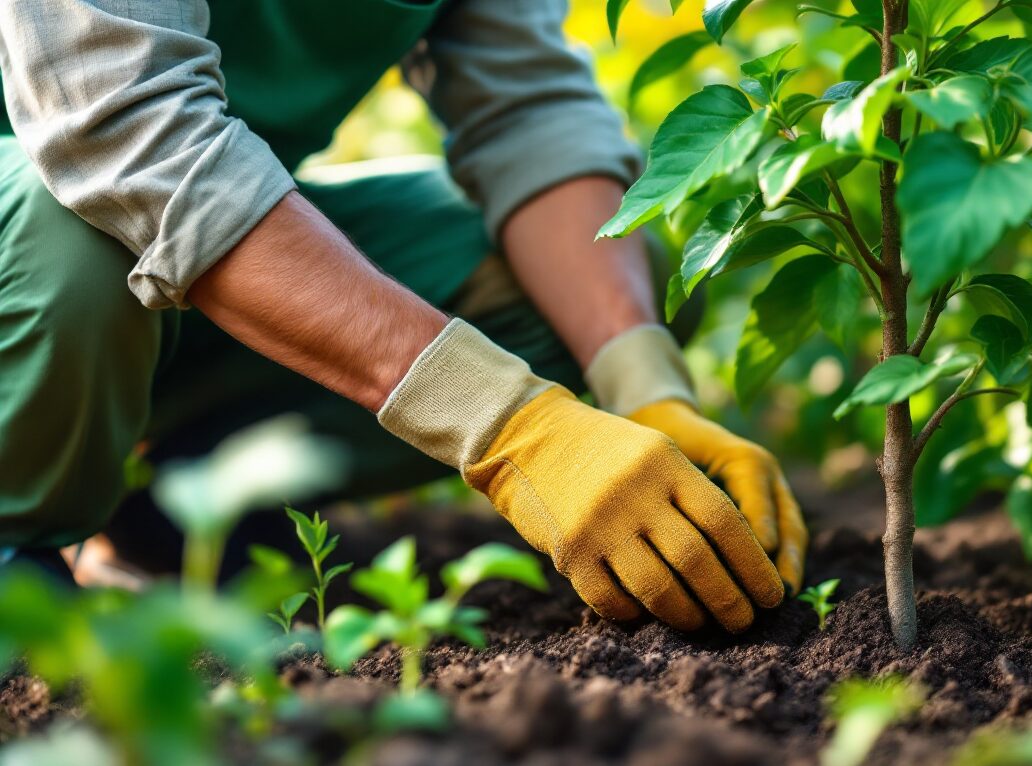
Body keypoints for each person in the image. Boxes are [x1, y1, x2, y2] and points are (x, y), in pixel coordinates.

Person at [0, 0, 807, 633]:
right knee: (79, 227)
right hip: (63, 217)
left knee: (599, 273)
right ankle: (18, 544)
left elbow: (528, 107)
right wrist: (504, 421)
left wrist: (643, 385)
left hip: (165, 261)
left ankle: (180, 511)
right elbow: (124, 132)